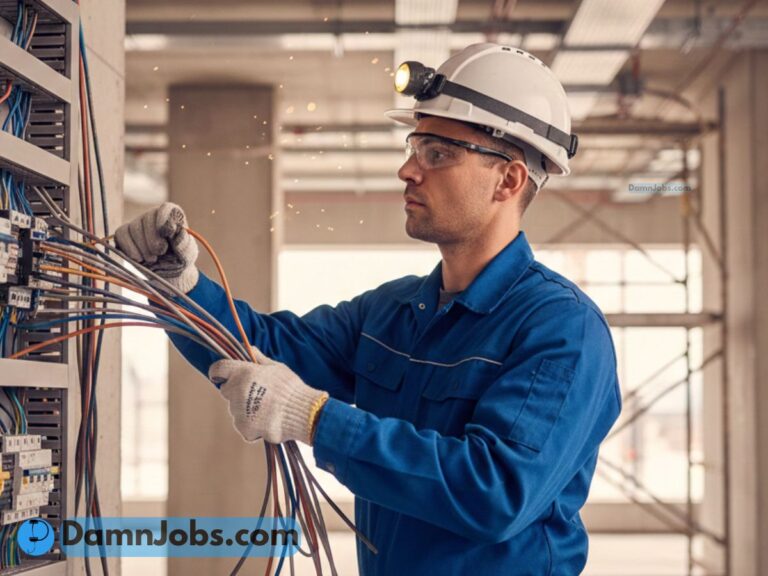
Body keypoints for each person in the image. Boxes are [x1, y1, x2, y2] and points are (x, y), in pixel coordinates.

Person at [116, 43, 621, 575]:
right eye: (415, 145)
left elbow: (494, 491)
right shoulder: (393, 312)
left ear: (509, 180)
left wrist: (315, 419)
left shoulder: (561, 330)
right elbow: (265, 350)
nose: (408, 169)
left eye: (439, 153)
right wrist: (179, 287)